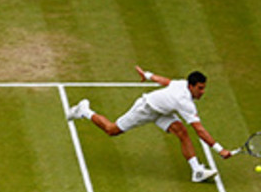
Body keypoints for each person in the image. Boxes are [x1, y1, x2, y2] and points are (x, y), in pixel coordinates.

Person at [67, 66, 233, 183]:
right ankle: (84, 111)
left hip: (162, 112)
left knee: (182, 132)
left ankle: (196, 171)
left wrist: (147, 75)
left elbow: (166, 81)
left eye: (204, 88)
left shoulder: (183, 84)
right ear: (191, 86)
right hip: (146, 109)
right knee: (111, 130)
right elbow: (200, 130)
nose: (202, 92)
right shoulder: (185, 102)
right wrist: (220, 149)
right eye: (200, 88)